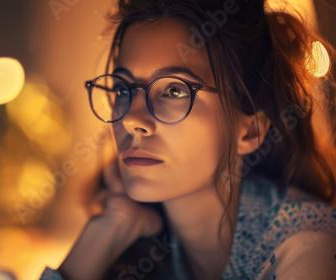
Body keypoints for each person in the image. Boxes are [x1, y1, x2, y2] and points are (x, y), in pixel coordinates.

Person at [40, 0, 336, 279]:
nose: (132, 120)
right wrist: (110, 228)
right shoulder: (145, 242)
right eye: (123, 89)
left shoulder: (309, 251)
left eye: (174, 91)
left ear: (250, 131)